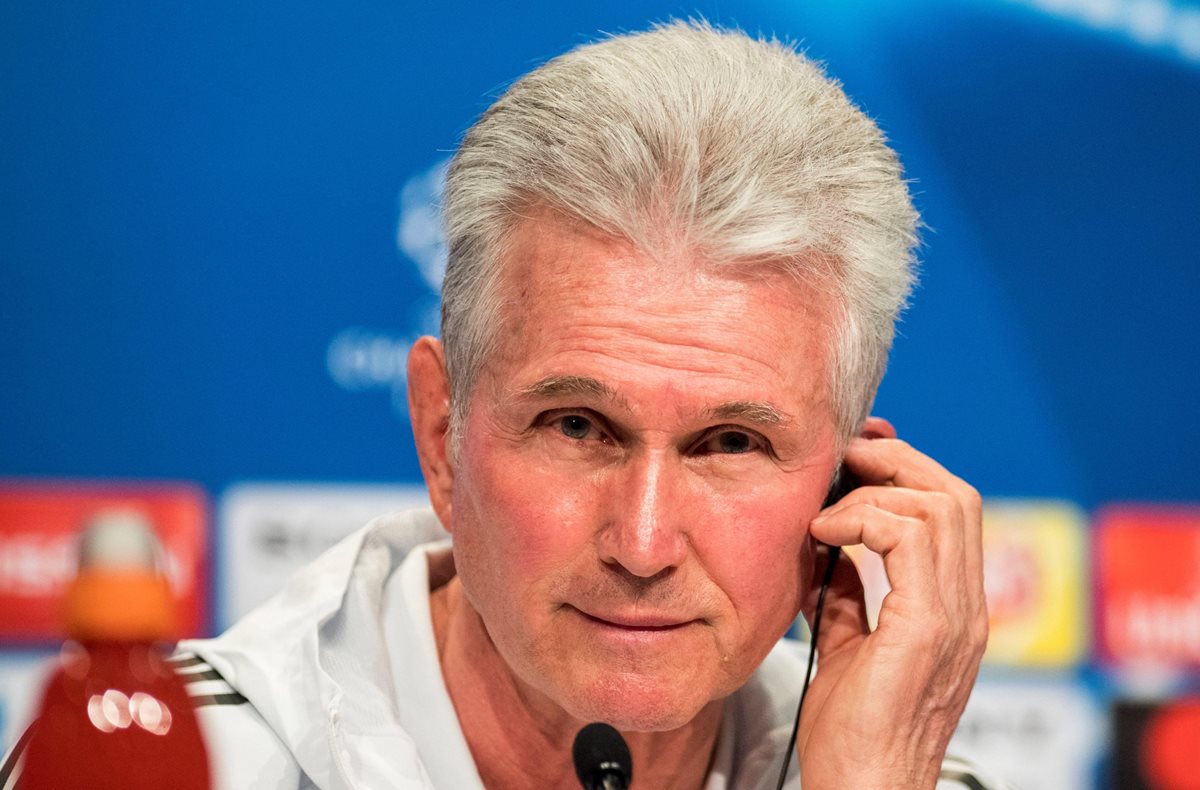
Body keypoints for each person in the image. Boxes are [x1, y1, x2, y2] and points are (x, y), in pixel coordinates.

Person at [1, 21, 999, 790]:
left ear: (843, 484)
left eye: (729, 443)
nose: (644, 542)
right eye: (576, 426)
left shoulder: (893, 776)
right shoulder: (169, 761)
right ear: (441, 433)